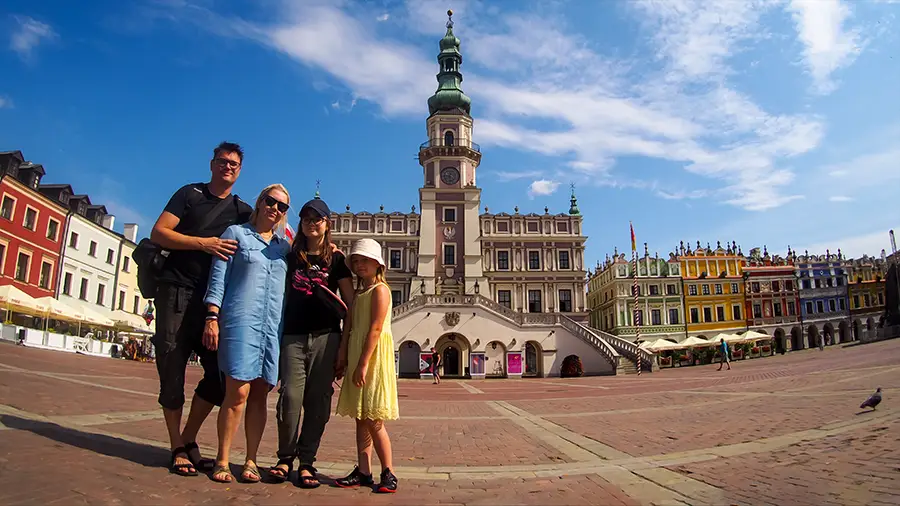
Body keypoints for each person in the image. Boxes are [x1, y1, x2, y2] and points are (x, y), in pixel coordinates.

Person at [149, 142, 253, 476]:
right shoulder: (189, 195)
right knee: (172, 367)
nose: (228, 167)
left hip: (213, 301)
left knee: (220, 377)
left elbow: (271, 235)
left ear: (240, 171)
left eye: (234, 164)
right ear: (212, 164)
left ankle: (187, 438)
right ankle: (177, 446)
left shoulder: (242, 211)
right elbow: (160, 232)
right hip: (176, 291)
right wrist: (202, 243)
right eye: (223, 161)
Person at [203, 184, 292, 483]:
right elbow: (218, 278)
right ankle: (223, 459)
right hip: (240, 321)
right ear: (260, 201)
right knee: (237, 391)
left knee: (259, 394)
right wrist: (212, 316)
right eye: (271, 202)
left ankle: (251, 460)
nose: (275, 209)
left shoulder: (284, 248)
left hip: (272, 327)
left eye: (282, 207)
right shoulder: (235, 234)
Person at [269, 197, 354, 488]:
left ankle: (307, 462)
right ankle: (284, 457)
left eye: (317, 218)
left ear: (327, 223)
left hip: (327, 337)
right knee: (290, 397)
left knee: (318, 403)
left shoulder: (337, 260)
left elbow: (350, 304)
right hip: (292, 335)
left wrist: (344, 346)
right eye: (306, 218)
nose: (311, 222)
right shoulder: (290, 256)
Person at [334, 238, 400, 493]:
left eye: (365, 260)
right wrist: (342, 355)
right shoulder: (360, 293)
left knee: (374, 419)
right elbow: (349, 326)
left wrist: (362, 363)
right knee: (361, 418)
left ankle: (388, 471)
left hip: (372, 357)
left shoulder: (380, 290)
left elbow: (375, 328)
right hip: (357, 354)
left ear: (378, 263)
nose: (360, 265)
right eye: (356, 261)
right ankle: (363, 471)